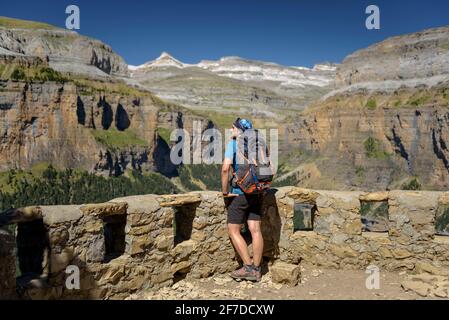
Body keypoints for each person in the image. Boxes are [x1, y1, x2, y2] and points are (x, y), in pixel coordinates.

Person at [221, 118, 264, 282]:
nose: (230, 130)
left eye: (232, 127)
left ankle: (248, 268)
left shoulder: (233, 144)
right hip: (257, 192)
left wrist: (225, 192)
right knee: (255, 230)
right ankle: (258, 267)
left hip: (240, 193)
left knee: (233, 230)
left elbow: (225, 169)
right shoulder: (258, 144)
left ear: (238, 130)